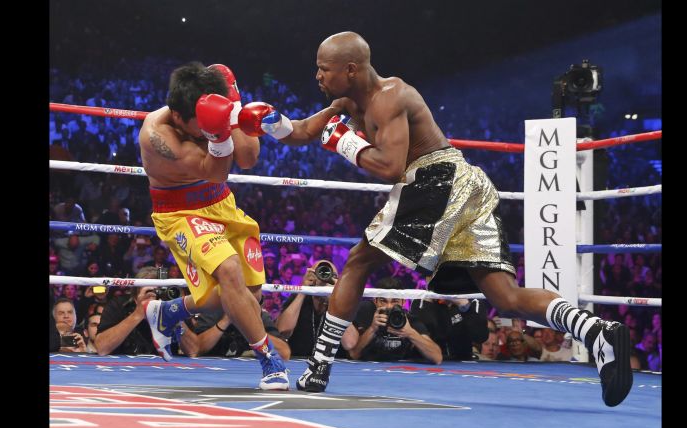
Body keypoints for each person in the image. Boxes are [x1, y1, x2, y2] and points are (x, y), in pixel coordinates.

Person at [237, 31, 632, 406]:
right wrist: (265, 120)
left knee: (359, 260)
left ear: (351, 69)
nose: (317, 75)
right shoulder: (346, 104)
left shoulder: (392, 97)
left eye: (324, 68)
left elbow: (392, 167)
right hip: (465, 185)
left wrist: (345, 141)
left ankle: (319, 366)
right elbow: (303, 131)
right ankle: (597, 331)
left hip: (436, 178)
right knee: (505, 297)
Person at [137, 62, 289, 390]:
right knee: (230, 272)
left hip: (221, 203)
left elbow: (248, 159)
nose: (204, 130)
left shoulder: (210, 107)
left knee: (245, 294)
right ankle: (269, 360)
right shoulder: (157, 135)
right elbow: (215, 170)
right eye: (200, 127)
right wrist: (220, 134)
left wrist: (233, 102)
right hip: (180, 211)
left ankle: (167, 313)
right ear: (179, 117)